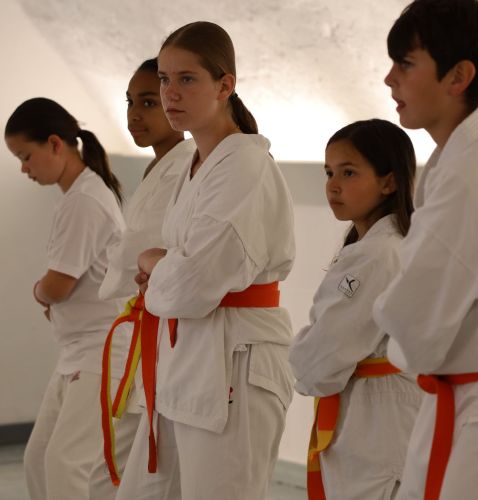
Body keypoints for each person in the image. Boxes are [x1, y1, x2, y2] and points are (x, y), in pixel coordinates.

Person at [115, 21, 296, 500]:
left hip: (234, 361)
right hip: (185, 360)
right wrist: (165, 267)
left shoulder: (244, 165)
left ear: (224, 85)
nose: (170, 93)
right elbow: (182, 275)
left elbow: (191, 286)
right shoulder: (198, 163)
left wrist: (156, 263)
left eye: (187, 79)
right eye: (164, 79)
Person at [372, 1, 478, 499]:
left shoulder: (472, 174)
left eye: (405, 64)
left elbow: (414, 323)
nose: (389, 79)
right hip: (462, 393)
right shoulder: (465, 158)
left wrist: (392, 322)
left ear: (458, 77)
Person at [289, 119, 421, 500]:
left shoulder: (380, 254)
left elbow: (317, 364)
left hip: (380, 434)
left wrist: (303, 349)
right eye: (329, 172)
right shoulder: (380, 247)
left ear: (389, 182)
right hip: (376, 426)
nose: (333, 185)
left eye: (348, 172)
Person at [4, 97, 126, 500]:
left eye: (26, 156)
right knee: (38, 458)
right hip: (79, 351)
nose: (24, 169)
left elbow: (57, 287)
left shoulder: (86, 200)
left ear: (55, 144)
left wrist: (39, 291)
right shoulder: (76, 196)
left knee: (65, 462)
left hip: (101, 352)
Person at [88, 58, 195, 498]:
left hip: (165, 328)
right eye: (130, 102)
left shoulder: (189, 164)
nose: (134, 114)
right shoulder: (161, 166)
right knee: (115, 468)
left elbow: (153, 251)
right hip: (141, 322)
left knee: (131, 471)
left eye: (148, 102)